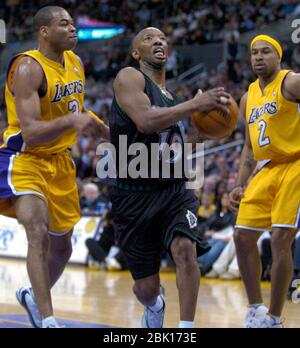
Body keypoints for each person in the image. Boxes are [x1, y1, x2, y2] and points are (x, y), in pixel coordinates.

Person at [110, 27, 232, 328]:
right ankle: (155, 305)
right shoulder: (129, 77)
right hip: (133, 194)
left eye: (163, 39)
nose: (159, 41)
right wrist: (194, 106)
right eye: (149, 38)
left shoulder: (172, 97)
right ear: (137, 52)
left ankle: (186, 329)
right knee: (146, 289)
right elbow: (145, 121)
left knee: (185, 251)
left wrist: (200, 134)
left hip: (174, 189)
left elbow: (176, 152)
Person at [0, 6, 109, 328]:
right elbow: (31, 130)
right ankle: (48, 320)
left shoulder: (75, 63)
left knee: (63, 247)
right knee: (37, 232)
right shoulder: (28, 68)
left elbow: (77, 109)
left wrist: (104, 129)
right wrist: (72, 121)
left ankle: (34, 297)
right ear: (44, 32)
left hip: (60, 163)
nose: (73, 29)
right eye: (64, 24)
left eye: (74, 24)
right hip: (26, 159)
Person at [229, 35, 300, 328]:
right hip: (267, 168)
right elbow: (248, 147)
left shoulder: (291, 82)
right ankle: (256, 309)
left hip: (296, 165)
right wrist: (239, 183)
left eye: (265, 52)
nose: (258, 57)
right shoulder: (248, 97)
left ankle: (273, 317)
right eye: (254, 53)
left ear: (278, 57)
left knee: (280, 238)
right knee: (242, 236)